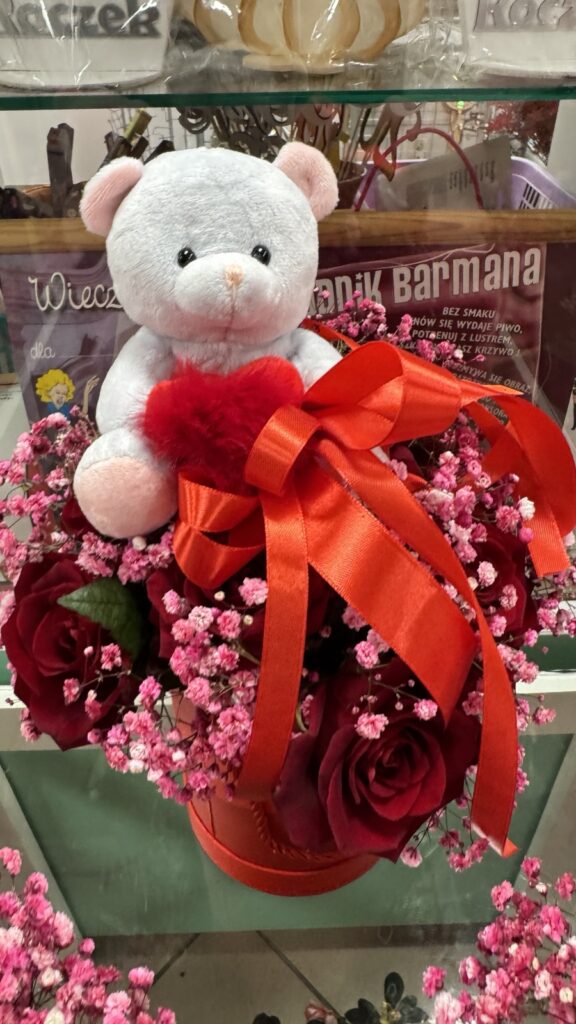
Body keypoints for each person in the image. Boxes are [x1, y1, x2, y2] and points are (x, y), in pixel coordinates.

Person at [35, 368, 99, 420]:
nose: (61, 396)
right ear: (48, 392)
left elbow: (83, 414)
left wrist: (86, 392)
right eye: (57, 392)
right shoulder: (45, 410)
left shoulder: (67, 408)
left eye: (64, 394)